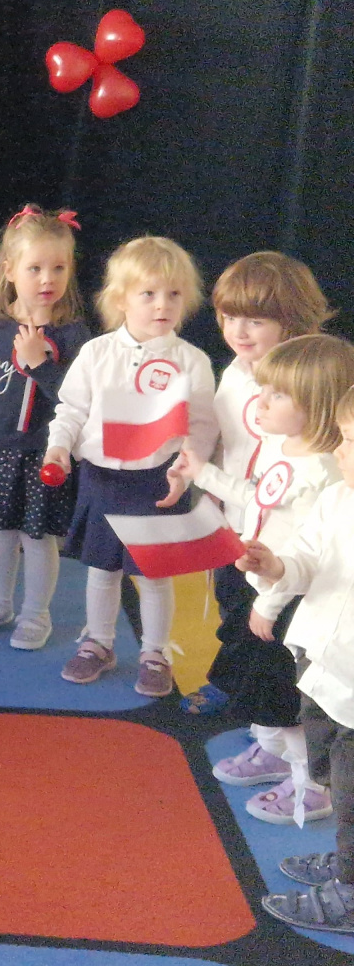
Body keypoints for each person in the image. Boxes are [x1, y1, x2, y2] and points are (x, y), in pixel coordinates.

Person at [165, 334, 354, 824]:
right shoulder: (280, 444)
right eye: (262, 390)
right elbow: (256, 497)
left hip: (288, 599)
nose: (261, 402)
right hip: (261, 583)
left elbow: (310, 556)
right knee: (257, 686)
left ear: (316, 405)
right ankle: (275, 752)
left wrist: (268, 603)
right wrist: (203, 473)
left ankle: (310, 785)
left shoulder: (325, 474)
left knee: (284, 696)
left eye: (277, 395)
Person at [45, 236, 218, 696]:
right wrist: (58, 447)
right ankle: (98, 643)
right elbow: (71, 409)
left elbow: (202, 426)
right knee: (102, 570)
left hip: (157, 482)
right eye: (149, 293)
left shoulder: (192, 361)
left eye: (174, 294)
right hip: (102, 478)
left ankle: (155, 652)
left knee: (154, 574)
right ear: (121, 299)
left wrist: (186, 469)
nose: (163, 304)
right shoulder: (97, 353)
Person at [182, 252, 331, 717]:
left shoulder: (309, 383)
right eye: (229, 318)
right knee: (233, 609)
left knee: (270, 626)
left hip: (283, 534)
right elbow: (221, 436)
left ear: (292, 320)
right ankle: (232, 683)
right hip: (235, 518)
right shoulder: (234, 371)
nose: (238, 332)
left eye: (255, 321)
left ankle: (275, 715)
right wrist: (197, 473)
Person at [0, 206, 91, 650]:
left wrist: (39, 364)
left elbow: (80, 399)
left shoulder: (74, 335)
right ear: (10, 270)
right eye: (35, 268)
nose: (47, 278)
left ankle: (36, 613)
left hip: (45, 455)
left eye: (58, 268)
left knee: (37, 537)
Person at [243, 387, 354, 933]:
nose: (338, 450)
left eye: (350, 441)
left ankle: (351, 889)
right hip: (322, 666)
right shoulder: (338, 498)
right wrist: (276, 566)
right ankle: (349, 858)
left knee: (352, 790)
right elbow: (307, 558)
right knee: (328, 768)